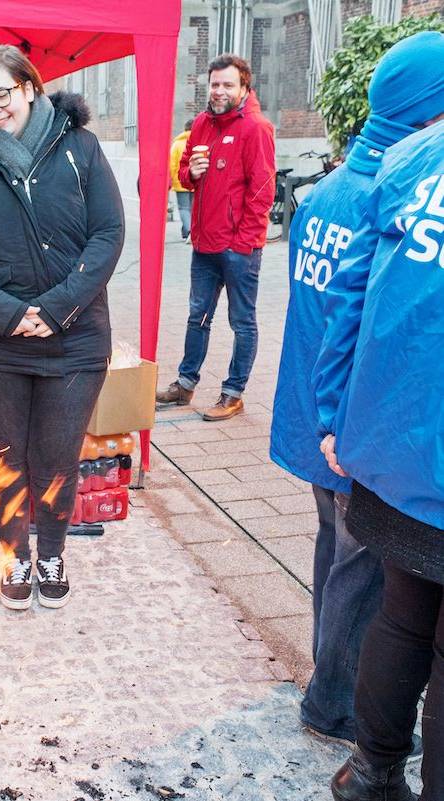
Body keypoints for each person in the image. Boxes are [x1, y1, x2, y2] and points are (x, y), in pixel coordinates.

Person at [271, 33, 443, 759]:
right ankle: (333, 697)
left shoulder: (336, 185)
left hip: (320, 417)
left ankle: (329, 675)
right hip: (360, 427)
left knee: (337, 558)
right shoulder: (397, 184)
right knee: (367, 577)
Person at [0, 45, 124, 610]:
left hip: (75, 338)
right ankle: (15, 555)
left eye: (3, 94)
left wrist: (57, 308)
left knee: (58, 456)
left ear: (29, 87)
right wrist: (9, 313)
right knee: (7, 457)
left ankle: (52, 551)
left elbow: (108, 234)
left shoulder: (80, 148)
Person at [156, 54, 275, 421]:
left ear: (243, 88)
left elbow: (263, 190)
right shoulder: (203, 124)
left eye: (227, 84)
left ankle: (233, 393)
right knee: (198, 316)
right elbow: (184, 169)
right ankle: (185, 384)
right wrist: (190, 171)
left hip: (238, 248)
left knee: (242, 322)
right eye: (215, 84)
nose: (219, 91)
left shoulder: (256, 128)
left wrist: (244, 242)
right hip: (204, 243)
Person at [170, 119, 193, 240]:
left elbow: (172, 164)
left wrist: (174, 180)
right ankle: (188, 232)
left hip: (180, 182)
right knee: (193, 208)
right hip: (195, 181)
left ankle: (188, 231)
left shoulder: (177, 144)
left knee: (184, 208)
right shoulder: (198, 141)